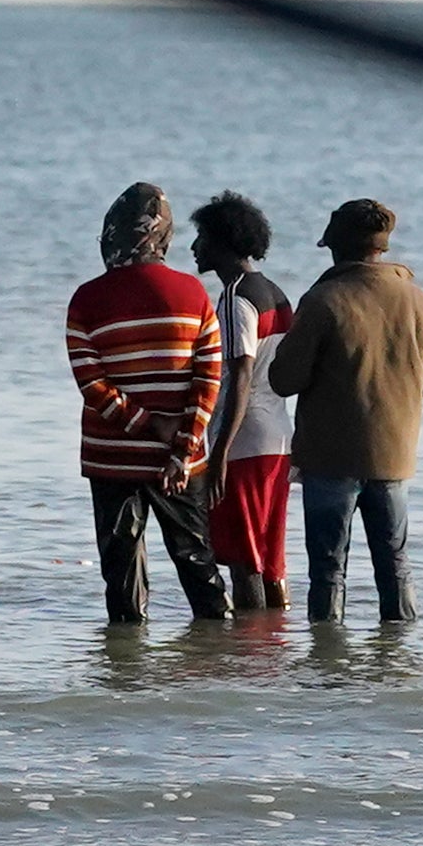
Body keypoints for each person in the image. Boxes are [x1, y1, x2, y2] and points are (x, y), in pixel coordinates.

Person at [256, 198, 423, 625]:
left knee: (328, 571)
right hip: (394, 459)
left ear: (335, 247)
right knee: (395, 566)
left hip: (330, 461)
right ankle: (399, 661)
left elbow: (284, 380)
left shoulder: (324, 300)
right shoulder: (420, 301)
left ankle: (327, 668)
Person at [65, 181, 229, 625]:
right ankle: (219, 663)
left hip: (112, 458)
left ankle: (125, 676)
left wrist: (145, 423)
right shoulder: (193, 294)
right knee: (197, 563)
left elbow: (92, 384)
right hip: (181, 459)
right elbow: (209, 378)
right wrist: (183, 444)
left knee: (121, 576)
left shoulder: (86, 300)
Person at [190, 194, 298, 614]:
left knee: (243, 560)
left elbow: (240, 377)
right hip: (278, 438)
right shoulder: (275, 291)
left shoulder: (235, 297)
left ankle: (249, 656)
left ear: (223, 242)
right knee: (272, 560)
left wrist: (218, 455)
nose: (195, 248)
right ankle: (276, 643)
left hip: (244, 441)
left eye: (201, 238)